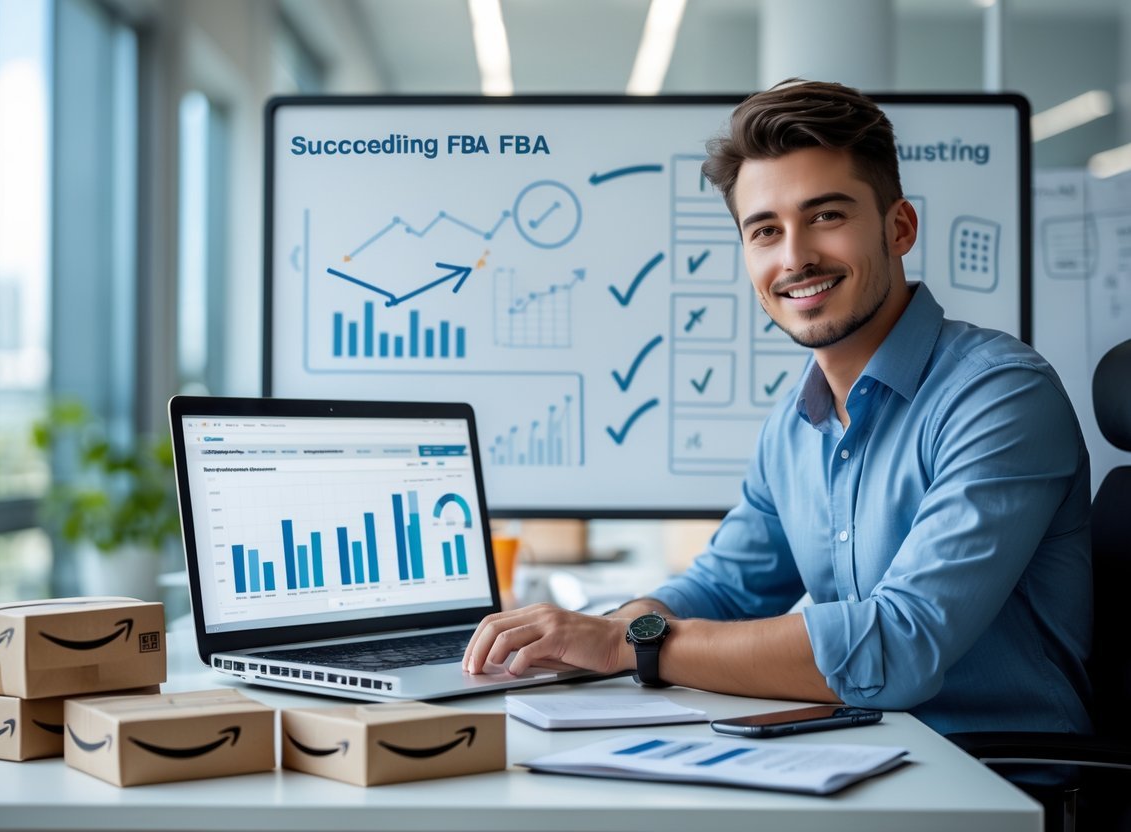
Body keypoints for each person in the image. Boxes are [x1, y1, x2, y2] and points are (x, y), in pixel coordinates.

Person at [462, 78, 1093, 737]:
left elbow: (900, 645)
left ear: (897, 227)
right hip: (861, 751)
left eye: (826, 216)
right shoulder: (793, 425)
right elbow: (721, 591)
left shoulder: (998, 396)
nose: (794, 257)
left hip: (999, 781)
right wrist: (593, 631)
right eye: (765, 230)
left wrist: (627, 646)